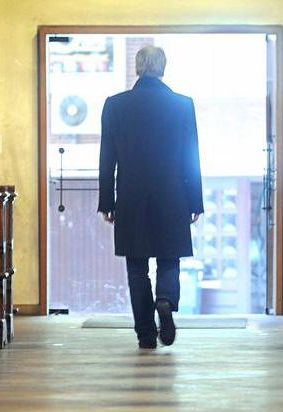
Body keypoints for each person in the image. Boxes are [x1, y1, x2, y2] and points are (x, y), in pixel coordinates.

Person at [97, 45, 204, 349]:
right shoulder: (183, 105)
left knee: (136, 267)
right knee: (169, 258)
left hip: (131, 196)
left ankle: (145, 333)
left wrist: (107, 201)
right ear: (163, 68)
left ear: (137, 68)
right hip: (174, 195)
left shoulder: (115, 105)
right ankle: (166, 300)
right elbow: (191, 157)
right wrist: (195, 201)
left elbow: (107, 158)